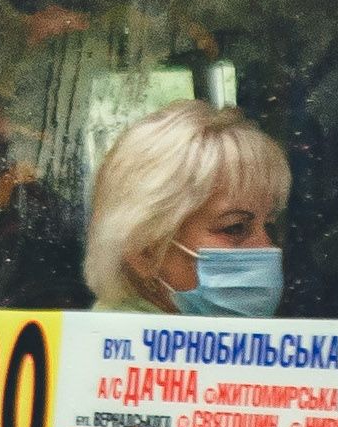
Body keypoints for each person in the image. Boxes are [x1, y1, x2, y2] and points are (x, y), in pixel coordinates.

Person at [86, 98, 289, 315]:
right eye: (235, 228)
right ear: (145, 251)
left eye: (269, 226)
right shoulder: (108, 345)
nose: (267, 247)